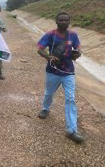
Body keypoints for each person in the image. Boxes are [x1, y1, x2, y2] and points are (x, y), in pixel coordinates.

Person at [37, 12, 84, 143]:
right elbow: (40, 48)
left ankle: (71, 130)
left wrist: (78, 53)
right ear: (56, 21)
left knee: (70, 99)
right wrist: (48, 56)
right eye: (61, 20)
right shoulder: (50, 35)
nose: (63, 22)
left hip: (68, 72)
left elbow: (79, 48)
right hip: (52, 71)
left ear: (69, 22)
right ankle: (45, 109)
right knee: (49, 93)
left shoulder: (73, 35)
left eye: (66, 20)